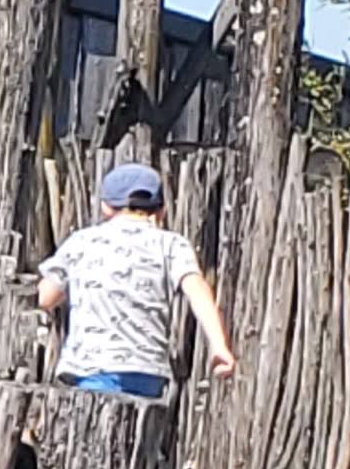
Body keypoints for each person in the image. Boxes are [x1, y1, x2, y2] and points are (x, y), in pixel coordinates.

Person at [33, 160, 233, 398]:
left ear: (105, 207)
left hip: (92, 367)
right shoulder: (171, 244)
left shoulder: (81, 241)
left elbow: (46, 298)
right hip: (148, 371)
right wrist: (219, 345)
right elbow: (197, 290)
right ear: (161, 210)